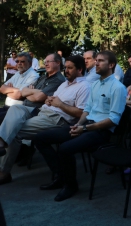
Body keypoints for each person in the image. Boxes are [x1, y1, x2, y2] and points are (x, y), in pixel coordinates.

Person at [34, 51, 127, 202]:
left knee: (65, 148)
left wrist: (83, 129)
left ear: (111, 65)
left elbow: (113, 120)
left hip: (101, 132)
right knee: (40, 138)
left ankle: (71, 185)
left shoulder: (118, 88)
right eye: (96, 60)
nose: (96, 63)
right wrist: (78, 125)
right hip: (86, 126)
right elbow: (87, 110)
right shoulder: (95, 84)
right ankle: (61, 177)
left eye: (101, 61)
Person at [0, 56, 90, 185]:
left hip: (57, 119)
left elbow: (81, 113)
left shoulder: (84, 87)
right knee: (16, 108)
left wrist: (59, 104)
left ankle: (3, 172)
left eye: (70, 68)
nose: (66, 71)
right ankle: (1, 142)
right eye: (66, 68)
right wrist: (49, 101)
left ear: (80, 69)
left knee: (14, 131)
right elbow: (46, 97)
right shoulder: (65, 83)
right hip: (43, 112)